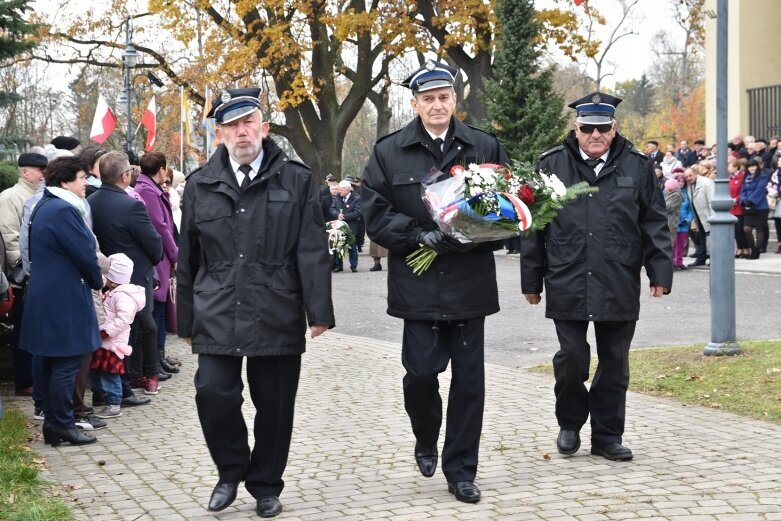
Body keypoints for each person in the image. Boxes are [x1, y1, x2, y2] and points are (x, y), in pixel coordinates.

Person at [177, 87, 334, 518]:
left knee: (276, 402)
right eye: (231, 125)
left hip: (276, 304)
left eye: (248, 123)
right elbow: (187, 258)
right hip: (216, 306)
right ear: (219, 133)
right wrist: (185, 319)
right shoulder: (200, 185)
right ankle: (230, 471)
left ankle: (266, 483)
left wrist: (318, 311)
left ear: (263, 128)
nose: (241, 132)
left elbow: (312, 249)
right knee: (212, 391)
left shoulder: (298, 179)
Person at [361, 60, 508, 504]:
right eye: (428, 98)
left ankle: (461, 469)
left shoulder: (483, 146)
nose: (437, 104)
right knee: (420, 375)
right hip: (417, 284)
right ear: (415, 103)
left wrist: (475, 233)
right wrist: (417, 235)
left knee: (470, 383)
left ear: (454, 100)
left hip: (469, 282)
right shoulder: (390, 151)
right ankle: (426, 436)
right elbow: (374, 210)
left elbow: (506, 207)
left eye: (443, 97)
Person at [520, 91, 672, 462]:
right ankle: (570, 423)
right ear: (576, 129)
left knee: (615, 360)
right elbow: (533, 226)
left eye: (603, 128)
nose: (595, 135)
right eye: (587, 128)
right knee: (572, 356)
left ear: (614, 128)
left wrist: (659, 270)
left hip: (617, 276)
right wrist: (531, 280)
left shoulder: (637, 166)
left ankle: (607, 436)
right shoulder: (550, 165)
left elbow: (654, 220)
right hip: (567, 275)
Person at [20, 156, 103, 446]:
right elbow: (85, 255)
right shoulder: (63, 209)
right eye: (82, 178)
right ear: (66, 181)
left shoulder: (43, 205)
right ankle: (62, 424)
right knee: (67, 362)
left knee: (49, 361)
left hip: (45, 292)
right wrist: (99, 281)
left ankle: (54, 425)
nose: (86, 183)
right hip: (64, 296)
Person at [88, 151, 163, 395]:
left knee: (112, 330)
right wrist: (152, 262)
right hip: (135, 276)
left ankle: (118, 382)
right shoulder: (131, 205)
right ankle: (139, 377)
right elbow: (154, 243)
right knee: (141, 328)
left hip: (103, 277)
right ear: (124, 176)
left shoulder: (90, 202)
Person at [0, 152, 47, 397]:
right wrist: (23, 270)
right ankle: (24, 380)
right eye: (37, 170)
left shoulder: (41, 195)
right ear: (23, 172)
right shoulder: (10, 197)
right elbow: (10, 238)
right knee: (23, 330)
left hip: (40, 272)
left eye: (43, 170)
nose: (42, 174)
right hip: (22, 278)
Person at [135, 152, 179, 376]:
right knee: (158, 309)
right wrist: (174, 254)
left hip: (160, 256)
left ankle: (159, 357)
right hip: (158, 256)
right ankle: (154, 360)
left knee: (161, 308)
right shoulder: (147, 191)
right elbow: (160, 227)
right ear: (161, 169)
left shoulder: (149, 189)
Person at [90, 253, 146, 419]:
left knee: (110, 373)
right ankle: (105, 397)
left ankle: (114, 403)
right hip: (104, 340)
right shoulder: (112, 293)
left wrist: (107, 331)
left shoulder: (123, 296)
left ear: (112, 278)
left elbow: (124, 319)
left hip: (112, 342)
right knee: (99, 371)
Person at [738, 156, 770, 259]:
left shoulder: (763, 176)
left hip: (760, 206)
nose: (752, 169)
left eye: (754, 166)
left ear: (757, 167)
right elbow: (742, 190)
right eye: (749, 167)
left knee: (759, 229)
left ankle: (756, 251)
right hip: (748, 206)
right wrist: (743, 200)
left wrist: (751, 200)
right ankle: (753, 249)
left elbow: (760, 190)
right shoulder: (746, 178)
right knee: (746, 229)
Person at [684, 166, 715, 267]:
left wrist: (713, 217)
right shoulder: (690, 185)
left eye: (690, 175)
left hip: (708, 215)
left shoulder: (707, 183)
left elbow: (712, 201)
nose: (689, 178)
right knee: (702, 237)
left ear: (696, 173)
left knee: (711, 238)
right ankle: (701, 258)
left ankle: (712, 258)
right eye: (687, 177)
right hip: (698, 215)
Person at [330, 180, 362, 272]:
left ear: (347, 190)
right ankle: (339, 265)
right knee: (339, 246)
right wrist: (337, 215)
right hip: (339, 226)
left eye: (340, 189)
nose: (338, 191)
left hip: (351, 226)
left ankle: (353, 266)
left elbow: (358, 212)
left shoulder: (357, 198)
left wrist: (344, 217)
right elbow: (332, 209)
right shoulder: (337, 198)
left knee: (352, 246)